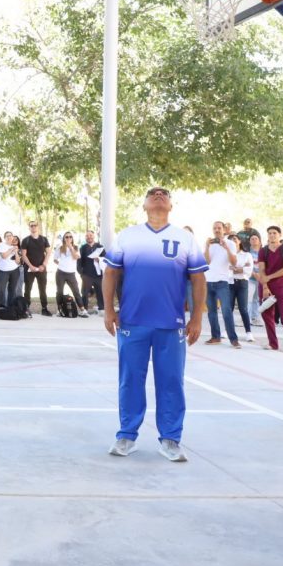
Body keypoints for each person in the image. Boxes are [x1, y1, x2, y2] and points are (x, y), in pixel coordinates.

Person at [103, 187, 207, 462]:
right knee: (130, 380)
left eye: (164, 194)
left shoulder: (185, 238)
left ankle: (171, 439)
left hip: (171, 324)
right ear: (144, 204)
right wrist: (108, 310)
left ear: (171, 205)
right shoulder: (128, 235)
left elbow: (198, 279)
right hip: (132, 321)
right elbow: (110, 272)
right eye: (153, 193)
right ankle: (127, 435)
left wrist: (197, 317)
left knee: (171, 381)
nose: (158, 195)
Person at [258, 226, 283, 352]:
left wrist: (269, 277)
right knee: (267, 315)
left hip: (282, 286)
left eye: (274, 233)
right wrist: (265, 286)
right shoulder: (263, 251)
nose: (272, 235)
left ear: (280, 235)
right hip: (266, 286)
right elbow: (261, 269)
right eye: (269, 233)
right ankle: (273, 343)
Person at [203, 221, 240, 348]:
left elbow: (234, 262)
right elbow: (206, 261)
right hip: (208, 280)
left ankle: (233, 339)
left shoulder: (230, 243)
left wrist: (226, 248)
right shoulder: (209, 244)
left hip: (222, 281)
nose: (217, 230)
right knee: (211, 311)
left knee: (226, 311)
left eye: (219, 228)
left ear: (224, 229)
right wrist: (207, 246)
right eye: (214, 228)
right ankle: (215, 337)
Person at [53, 232, 89, 317]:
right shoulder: (60, 247)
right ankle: (60, 310)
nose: (68, 238)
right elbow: (55, 259)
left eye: (70, 237)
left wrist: (71, 247)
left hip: (71, 274)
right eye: (66, 237)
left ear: (72, 238)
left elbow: (76, 257)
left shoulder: (76, 247)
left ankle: (82, 310)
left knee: (76, 291)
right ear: (64, 238)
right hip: (60, 273)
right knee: (59, 292)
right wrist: (61, 264)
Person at [21, 221, 51, 315]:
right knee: (27, 289)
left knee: (42, 289)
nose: (33, 227)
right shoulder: (26, 240)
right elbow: (23, 255)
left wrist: (44, 265)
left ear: (38, 227)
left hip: (41, 269)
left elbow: (48, 253)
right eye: (31, 226)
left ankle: (44, 308)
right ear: (29, 228)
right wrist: (31, 266)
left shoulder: (44, 239)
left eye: (35, 225)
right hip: (29, 269)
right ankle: (26, 309)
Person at [230, 236, 256, 343]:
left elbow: (249, 270)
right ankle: (228, 330)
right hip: (230, 283)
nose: (233, 241)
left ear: (239, 241)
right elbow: (226, 269)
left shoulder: (246, 255)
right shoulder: (227, 255)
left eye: (235, 239)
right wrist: (241, 268)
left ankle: (248, 332)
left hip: (242, 283)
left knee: (243, 308)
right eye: (231, 240)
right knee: (229, 308)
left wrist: (236, 269)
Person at [78, 231, 105, 314]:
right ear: (85, 237)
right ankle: (85, 309)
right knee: (85, 293)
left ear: (94, 236)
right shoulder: (83, 248)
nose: (89, 237)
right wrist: (81, 273)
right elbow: (79, 261)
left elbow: (105, 258)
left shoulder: (100, 247)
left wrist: (99, 259)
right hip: (87, 274)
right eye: (87, 236)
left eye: (91, 235)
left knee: (100, 291)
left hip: (98, 274)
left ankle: (101, 308)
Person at [247, 232, 263, 326]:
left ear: (260, 241)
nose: (254, 240)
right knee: (248, 298)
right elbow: (246, 265)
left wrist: (260, 275)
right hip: (250, 278)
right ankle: (247, 318)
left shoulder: (263, 253)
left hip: (260, 279)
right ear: (249, 241)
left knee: (256, 299)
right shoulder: (247, 253)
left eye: (256, 238)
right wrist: (254, 273)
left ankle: (255, 317)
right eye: (252, 239)